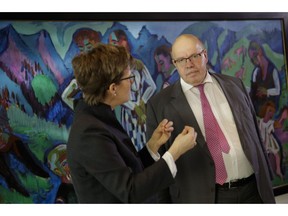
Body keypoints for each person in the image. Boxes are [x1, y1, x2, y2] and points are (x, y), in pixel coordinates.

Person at [146, 34, 276, 203]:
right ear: (175, 64)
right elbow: (159, 167)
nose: (189, 64)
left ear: (205, 55)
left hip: (254, 191)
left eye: (194, 56)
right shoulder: (159, 105)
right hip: (207, 199)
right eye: (181, 60)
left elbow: (255, 136)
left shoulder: (235, 85)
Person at [66, 43, 197, 203]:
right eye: (129, 78)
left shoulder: (97, 119)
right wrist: (175, 151)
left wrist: (152, 147)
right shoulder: (90, 132)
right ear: (113, 88)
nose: (132, 84)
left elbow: (123, 170)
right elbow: (130, 191)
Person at [108, 29, 156, 151]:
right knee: (130, 142)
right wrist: (133, 106)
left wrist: (141, 102)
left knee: (144, 140)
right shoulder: (112, 69)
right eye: (110, 42)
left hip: (141, 111)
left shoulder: (138, 64)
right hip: (127, 112)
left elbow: (152, 86)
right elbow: (114, 92)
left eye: (115, 41)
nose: (112, 45)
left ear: (123, 42)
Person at [248, 41, 281, 115]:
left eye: (254, 56)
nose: (253, 61)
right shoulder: (256, 72)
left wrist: (267, 92)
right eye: (251, 59)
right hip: (258, 108)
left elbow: (278, 90)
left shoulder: (273, 70)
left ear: (260, 52)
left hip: (270, 108)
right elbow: (253, 92)